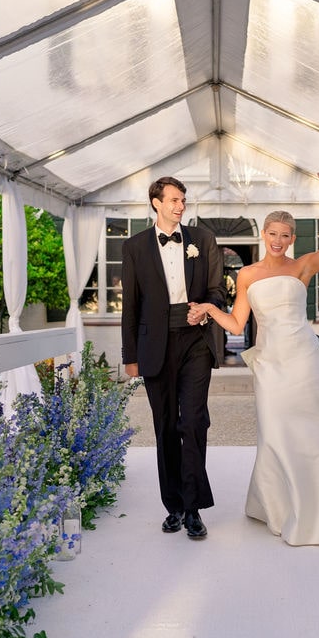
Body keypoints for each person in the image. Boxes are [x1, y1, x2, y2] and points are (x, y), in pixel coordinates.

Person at [189, 172, 319, 546]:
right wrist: (211, 309)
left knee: (314, 433)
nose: (278, 240)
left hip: (305, 360)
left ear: (292, 238)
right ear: (264, 234)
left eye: (285, 235)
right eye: (273, 233)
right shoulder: (246, 275)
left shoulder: (303, 266)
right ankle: (279, 508)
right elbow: (237, 323)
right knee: (275, 433)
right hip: (271, 365)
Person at [121, 176, 226, 540]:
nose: (181, 206)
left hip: (196, 339)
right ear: (156, 202)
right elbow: (130, 307)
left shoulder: (204, 240)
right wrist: (129, 356)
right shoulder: (133, 247)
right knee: (165, 425)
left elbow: (218, 288)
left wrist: (207, 307)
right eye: (174, 200)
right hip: (155, 345)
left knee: (193, 421)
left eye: (183, 200)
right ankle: (175, 506)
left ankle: (195, 508)